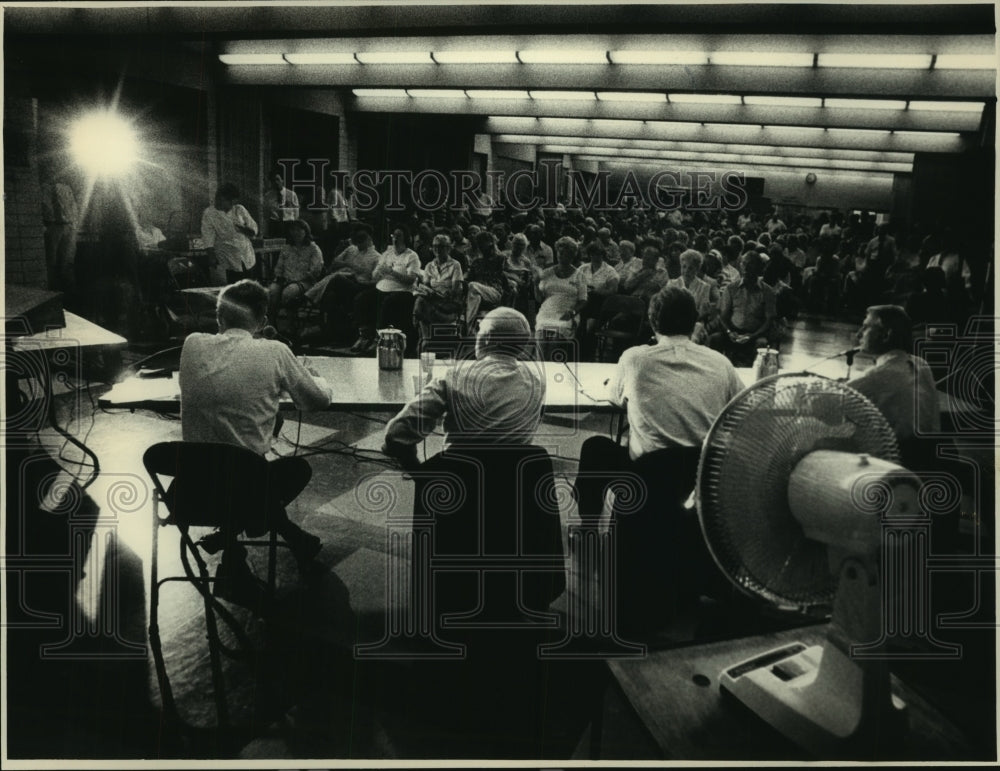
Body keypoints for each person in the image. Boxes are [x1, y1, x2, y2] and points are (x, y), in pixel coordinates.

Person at [573, 287, 744, 630]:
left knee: (595, 449)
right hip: (701, 475)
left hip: (650, 474)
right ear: (694, 321)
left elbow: (613, 398)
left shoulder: (635, 358)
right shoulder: (721, 363)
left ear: (652, 321)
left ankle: (588, 529)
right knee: (600, 449)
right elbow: (738, 408)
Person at [179, 280, 333, 605]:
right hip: (245, 487)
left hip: (190, 489)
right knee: (292, 470)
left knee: (243, 467)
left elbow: (232, 362)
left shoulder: (191, 344)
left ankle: (231, 545)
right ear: (263, 319)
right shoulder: (275, 351)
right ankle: (268, 542)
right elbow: (317, 401)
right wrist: (314, 376)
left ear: (219, 317)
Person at [382, 307, 544, 467]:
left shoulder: (454, 378)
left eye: (479, 331)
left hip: (457, 486)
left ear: (487, 338)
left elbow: (396, 433)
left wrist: (421, 477)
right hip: (515, 486)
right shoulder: (537, 383)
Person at [848, 304, 940, 445]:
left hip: (895, 457)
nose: (858, 334)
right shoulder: (921, 364)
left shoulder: (875, 377)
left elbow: (827, 403)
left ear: (886, 335)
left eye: (865, 327)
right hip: (929, 453)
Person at [306, 222, 379, 344]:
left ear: (369, 238)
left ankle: (311, 298)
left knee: (338, 277)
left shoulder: (377, 257)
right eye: (356, 238)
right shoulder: (351, 249)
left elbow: (373, 279)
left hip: (359, 285)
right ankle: (330, 332)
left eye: (362, 238)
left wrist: (353, 270)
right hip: (343, 284)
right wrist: (348, 264)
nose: (358, 242)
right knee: (332, 295)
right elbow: (334, 263)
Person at [353, 224, 421, 353]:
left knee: (387, 303)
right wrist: (379, 272)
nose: (395, 238)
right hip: (383, 286)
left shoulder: (411, 256)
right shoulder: (387, 254)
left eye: (399, 236)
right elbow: (375, 274)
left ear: (406, 237)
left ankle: (378, 339)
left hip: (402, 290)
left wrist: (391, 272)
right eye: (393, 236)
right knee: (361, 298)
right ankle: (364, 335)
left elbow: (410, 280)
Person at [710, 251, 776, 365]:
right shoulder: (731, 288)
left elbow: (769, 320)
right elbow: (723, 316)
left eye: (751, 265)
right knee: (715, 339)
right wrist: (729, 332)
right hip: (733, 333)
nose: (746, 268)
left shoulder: (767, 291)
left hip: (755, 334)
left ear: (759, 269)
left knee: (762, 344)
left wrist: (753, 335)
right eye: (743, 264)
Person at [200, 182, 258, 285]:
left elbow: (254, 230)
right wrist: (211, 257)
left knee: (249, 288)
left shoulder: (240, 209)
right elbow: (207, 237)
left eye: (233, 202)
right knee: (233, 291)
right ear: (220, 198)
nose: (232, 205)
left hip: (246, 257)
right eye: (229, 202)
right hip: (227, 258)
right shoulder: (209, 213)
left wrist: (243, 228)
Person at [267, 218, 324, 322]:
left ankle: (290, 322)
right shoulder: (286, 248)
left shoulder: (313, 249)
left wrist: (294, 279)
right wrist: (279, 277)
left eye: (299, 230)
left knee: (289, 292)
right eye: (293, 230)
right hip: (285, 280)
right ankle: (272, 322)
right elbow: (279, 267)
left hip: (304, 281)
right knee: (272, 291)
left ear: (306, 231)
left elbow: (315, 271)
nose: (295, 233)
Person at [412, 232, 465, 342]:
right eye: (435, 246)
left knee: (421, 308)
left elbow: (455, 290)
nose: (437, 249)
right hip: (432, 301)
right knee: (421, 300)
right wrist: (426, 291)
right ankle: (427, 340)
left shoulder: (455, 265)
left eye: (441, 246)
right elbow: (426, 286)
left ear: (448, 248)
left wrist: (439, 294)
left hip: (448, 303)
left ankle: (424, 340)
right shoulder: (429, 266)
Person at [40, 170, 79, 294]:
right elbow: (45, 206)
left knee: (67, 261)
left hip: (66, 226)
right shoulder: (45, 187)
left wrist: (73, 224)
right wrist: (48, 224)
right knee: (52, 262)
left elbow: (73, 207)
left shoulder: (65, 188)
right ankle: (54, 292)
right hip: (54, 226)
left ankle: (68, 292)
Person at [464, 231, 511, 331]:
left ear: (490, 244)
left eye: (482, 243)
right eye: (479, 244)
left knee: (472, 286)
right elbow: (468, 279)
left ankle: (468, 325)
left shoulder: (500, 259)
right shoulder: (476, 262)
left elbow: (509, 273)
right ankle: (472, 330)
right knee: (475, 295)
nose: (480, 247)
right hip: (479, 292)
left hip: (494, 292)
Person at [262, 169, 300, 238]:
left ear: (282, 180)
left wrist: (295, 230)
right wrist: (265, 232)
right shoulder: (267, 196)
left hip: (289, 224)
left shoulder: (291, 195)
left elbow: (296, 214)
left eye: (277, 179)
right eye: (273, 180)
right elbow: (266, 215)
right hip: (274, 225)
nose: (276, 182)